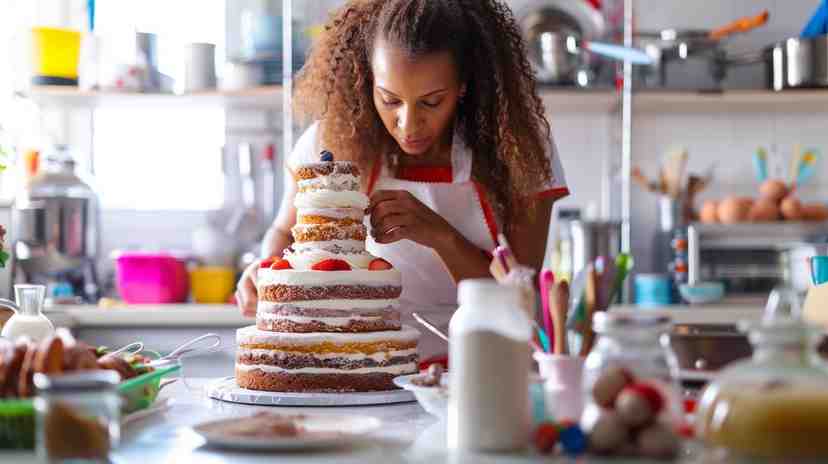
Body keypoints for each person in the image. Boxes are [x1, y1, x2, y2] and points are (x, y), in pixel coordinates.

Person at [236, 0, 569, 319]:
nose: (409, 125)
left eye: (432, 102)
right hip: (370, 365)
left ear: (464, 85)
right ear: (369, 83)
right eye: (390, 100)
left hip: (480, 359)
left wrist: (440, 235)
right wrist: (265, 268)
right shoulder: (334, 140)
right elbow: (284, 232)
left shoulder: (520, 149)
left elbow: (517, 297)